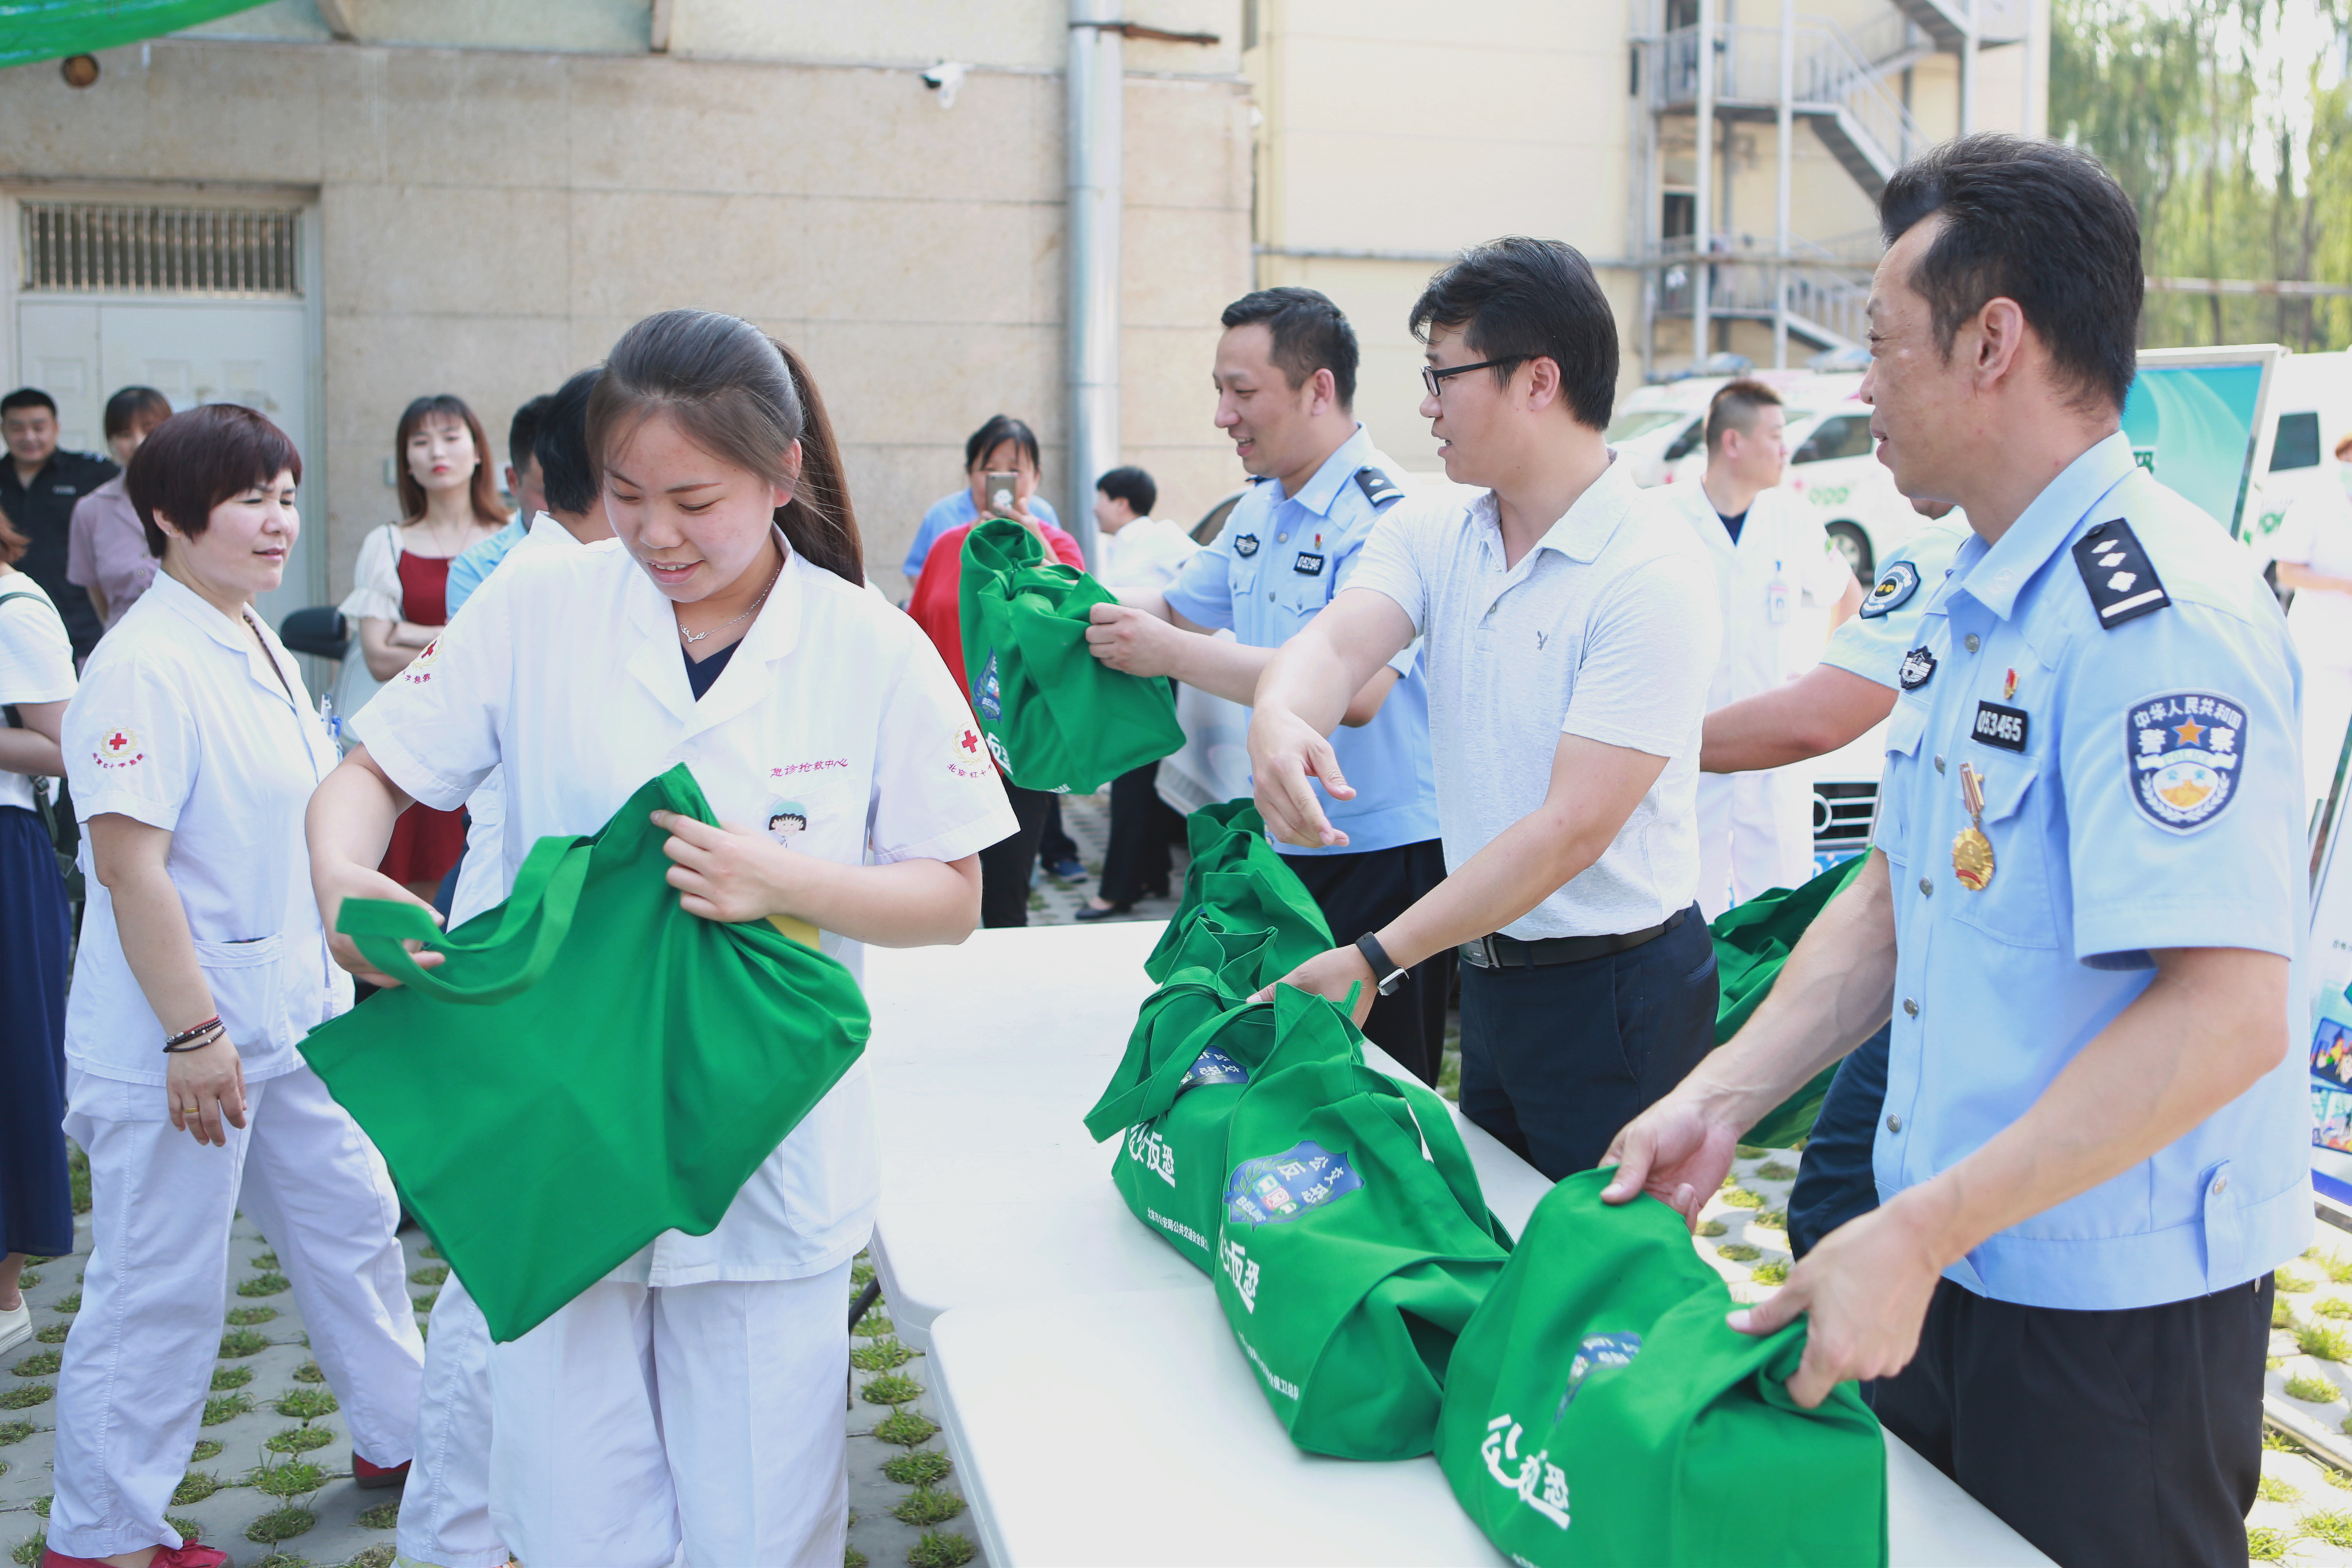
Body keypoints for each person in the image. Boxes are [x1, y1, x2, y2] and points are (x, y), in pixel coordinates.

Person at [1601, 136, 2306, 1568]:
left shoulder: (2159, 620)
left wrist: (1919, 1229)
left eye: (1881, 347)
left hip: (2109, 1318)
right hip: (1941, 1254)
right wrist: (1722, 1093)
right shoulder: (1977, 589)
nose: (1862, 393)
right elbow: (1896, 899)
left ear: (1996, 342)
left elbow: (2229, 1011)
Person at [307, 310, 1015, 1568]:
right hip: (564, 1144)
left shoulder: (865, 646)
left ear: (783, 470)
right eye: (627, 495)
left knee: (757, 1528)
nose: (656, 534)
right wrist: (339, 874)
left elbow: (953, 893)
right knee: (574, 1523)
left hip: (761, 1157)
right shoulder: (543, 607)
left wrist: (781, 879)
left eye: (696, 498)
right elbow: (370, 771)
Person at [44, 404, 424, 1568]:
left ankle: (402, 1438)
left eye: (286, 493)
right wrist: (193, 1030)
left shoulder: (248, 631)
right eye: (249, 496)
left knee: (356, 1224)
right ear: (166, 516)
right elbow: (127, 866)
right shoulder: (143, 663)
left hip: (288, 1023)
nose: (277, 520)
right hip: (186, 1039)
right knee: (160, 1286)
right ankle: (100, 1534)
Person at [1245, 243, 1721, 1168]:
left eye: (1442, 377)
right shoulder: (1435, 525)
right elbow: (1338, 644)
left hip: (1617, 990)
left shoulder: (1651, 569)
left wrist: (1379, 958)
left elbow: (1571, 830)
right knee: (1509, 1250)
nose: (1425, 405)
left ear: (1537, 381)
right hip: (1489, 969)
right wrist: (1280, 717)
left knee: (1606, 1288)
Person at [1085, 287, 1452, 1084]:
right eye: (1220, 391)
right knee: (1289, 1076)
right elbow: (1176, 607)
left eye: (1243, 392)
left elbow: (1357, 693)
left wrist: (1169, 654)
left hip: (1381, 849)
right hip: (1284, 840)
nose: (1224, 416)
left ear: (1317, 389)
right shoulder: (1260, 508)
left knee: (1380, 1082)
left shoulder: (1389, 517)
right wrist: (1058, 606)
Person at [393, 365, 622, 1568]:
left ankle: (474, 1533)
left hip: (531, 979)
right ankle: (468, 1540)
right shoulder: (557, 594)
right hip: (523, 978)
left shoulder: (563, 581)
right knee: (498, 1301)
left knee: (502, 1298)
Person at [1698, 499, 1972, 1258]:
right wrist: (1714, 1104)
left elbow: (1816, 717)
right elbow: (1880, 898)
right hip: (1915, 943)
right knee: (1837, 1205)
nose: (1863, 398)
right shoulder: (1958, 552)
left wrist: (1635, 750)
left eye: (1882, 368)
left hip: (1995, 996)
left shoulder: (1962, 554)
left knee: (1846, 1208)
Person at [1667, 378, 1863, 918]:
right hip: (1692, 750)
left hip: (1773, 758)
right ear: (1733, 443)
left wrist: (1821, 676)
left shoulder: (1791, 518)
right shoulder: (1663, 517)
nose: (1787, 449)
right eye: (1776, 436)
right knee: (1686, 913)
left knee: (1779, 912)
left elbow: (1847, 595)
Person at [339, 395, 508, 899]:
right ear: (406, 460)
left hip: (491, 745)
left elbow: (393, 641)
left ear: (479, 452)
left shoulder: (511, 543)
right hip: (419, 737)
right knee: (414, 900)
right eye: (421, 441)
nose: (437, 450)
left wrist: (411, 631)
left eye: (451, 436)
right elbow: (376, 654)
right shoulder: (387, 544)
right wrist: (462, 639)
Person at [905, 477, 1090, 927]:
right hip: (950, 742)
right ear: (973, 476)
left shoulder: (1056, 544)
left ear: (1036, 477)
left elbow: (1073, 620)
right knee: (939, 892)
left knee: (1008, 896)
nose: (1005, 481)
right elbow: (918, 629)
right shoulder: (948, 542)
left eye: (1017, 468)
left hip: (1020, 743)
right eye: (992, 468)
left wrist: (1038, 541)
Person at [0, 513, 75, 1363]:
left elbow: (68, 747)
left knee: (15, 1065)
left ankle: (7, 1290)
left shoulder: (15, 607)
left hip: (6, 849)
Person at [1077, 464, 1198, 919]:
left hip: (1154, 675)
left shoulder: (1163, 537)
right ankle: (1150, 872)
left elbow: (1197, 586)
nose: (1095, 507)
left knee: (1130, 781)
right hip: (1133, 673)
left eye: (1101, 498)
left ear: (1121, 503)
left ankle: (1118, 889)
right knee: (1140, 780)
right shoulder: (1128, 544)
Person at [2265, 428, 2352, 813]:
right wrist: (2342, 585)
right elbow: (2287, 572)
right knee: (2311, 755)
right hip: (2319, 647)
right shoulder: (2315, 504)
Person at [1, 387, 117, 663]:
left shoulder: (93, 473)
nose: (29, 437)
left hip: (82, 626)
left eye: (38, 427)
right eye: (17, 428)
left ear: (56, 427)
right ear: (4, 430)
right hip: (11, 623)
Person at [899, 413, 1063, 592]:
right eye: (989, 469)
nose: (1000, 478)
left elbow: (1068, 587)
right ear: (970, 472)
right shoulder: (941, 515)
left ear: (1036, 477)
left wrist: (1035, 536)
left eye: (1014, 470)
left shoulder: (1044, 516)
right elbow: (917, 573)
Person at [66, 387, 174, 632]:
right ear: (111, 441)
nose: (138, 443)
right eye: (125, 434)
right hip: (125, 640)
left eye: (149, 430)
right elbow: (98, 596)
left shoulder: (200, 498)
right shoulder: (90, 510)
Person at [443, 394, 555, 621]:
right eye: (549, 493)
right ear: (513, 481)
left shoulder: (625, 554)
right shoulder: (477, 570)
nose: (569, 505)